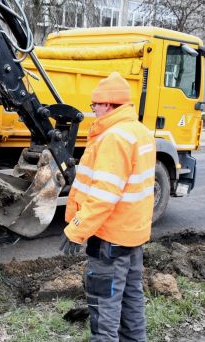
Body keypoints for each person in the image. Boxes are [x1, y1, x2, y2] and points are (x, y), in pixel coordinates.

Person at [59, 72, 156, 341]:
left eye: (95, 105)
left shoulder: (113, 138)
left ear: (110, 105)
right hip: (131, 237)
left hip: (108, 241)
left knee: (104, 312)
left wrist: (75, 229)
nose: (93, 111)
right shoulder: (140, 132)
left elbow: (103, 196)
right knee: (131, 304)